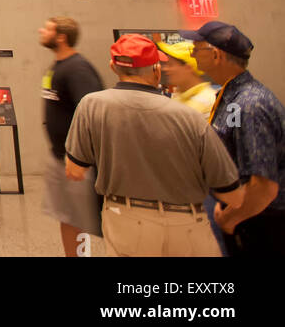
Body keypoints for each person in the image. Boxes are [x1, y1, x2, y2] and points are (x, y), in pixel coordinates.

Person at [64, 33, 243, 256]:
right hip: (187, 224)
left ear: (113, 67)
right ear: (156, 70)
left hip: (125, 220)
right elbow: (232, 195)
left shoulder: (91, 105)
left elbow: (74, 170)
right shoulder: (189, 116)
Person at [186, 21, 285, 256]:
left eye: (196, 48)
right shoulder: (232, 96)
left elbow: (264, 186)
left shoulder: (249, 104)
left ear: (216, 54)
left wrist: (230, 218)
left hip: (261, 221)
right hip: (246, 215)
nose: (192, 53)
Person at [38, 16, 103, 256]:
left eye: (47, 28)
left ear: (61, 37)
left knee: (83, 217)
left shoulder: (78, 69)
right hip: (60, 158)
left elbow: (92, 112)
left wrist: (80, 157)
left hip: (78, 162)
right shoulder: (57, 66)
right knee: (67, 215)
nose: (41, 30)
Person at [157, 40, 218, 116]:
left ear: (188, 68)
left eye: (170, 65)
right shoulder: (178, 97)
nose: (165, 69)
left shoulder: (209, 100)